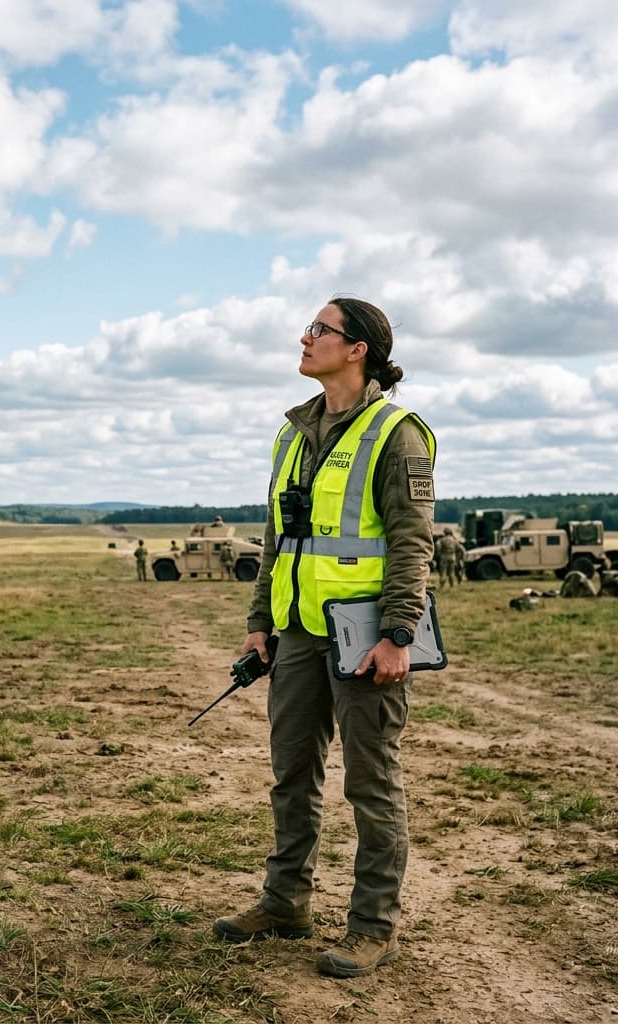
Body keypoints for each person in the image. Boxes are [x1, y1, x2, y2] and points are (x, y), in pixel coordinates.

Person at [212, 296, 436, 979]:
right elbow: (279, 542)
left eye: (319, 329)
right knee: (292, 776)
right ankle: (285, 903)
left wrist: (399, 632)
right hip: (298, 634)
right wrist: (260, 623)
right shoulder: (291, 433)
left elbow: (411, 541)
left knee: (370, 783)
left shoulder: (395, 433)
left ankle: (374, 928)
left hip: (366, 636)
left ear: (357, 348)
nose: (304, 338)